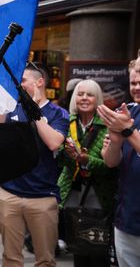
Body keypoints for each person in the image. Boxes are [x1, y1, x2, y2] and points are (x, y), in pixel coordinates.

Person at [0, 62, 69, 267]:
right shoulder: (13, 108)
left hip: (42, 198)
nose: (19, 85)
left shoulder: (57, 113)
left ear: (40, 82)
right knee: (10, 258)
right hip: (10, 194)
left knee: (45, 260)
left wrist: (33, 110)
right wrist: (6, 103)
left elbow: (53, 142)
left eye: (23, 80)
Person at [57, 79, 117, 266]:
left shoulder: (108, 125)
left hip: (98, 195)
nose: (84, 98)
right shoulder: (67, 122)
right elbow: (60, 163)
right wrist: (67, 154)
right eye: (80, 94)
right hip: (73, 194)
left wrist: (86, 160)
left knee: (98, 251)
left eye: (90, 95)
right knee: (78, 249)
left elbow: (112, 166)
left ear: (97, 98)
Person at [98, 57, 140, 267]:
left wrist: (128, 131)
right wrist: (114, 142)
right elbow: (111, 162)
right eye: (134, 82)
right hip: (127, 219)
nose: (137, 86)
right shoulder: (129, 112)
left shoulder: (126, 122)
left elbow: (129, 133)